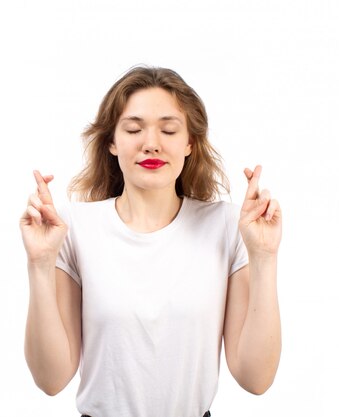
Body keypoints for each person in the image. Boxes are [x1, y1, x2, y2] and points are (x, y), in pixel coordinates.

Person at [20, 66, 282, 417]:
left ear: (189, 142)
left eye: (169, 129)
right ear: (112, 141)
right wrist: (39, 264)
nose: (151, 143)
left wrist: (263, 256)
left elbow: (256, 378)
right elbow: (50, 380)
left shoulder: (226, 225)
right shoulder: (74, 227)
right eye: (133, 128)